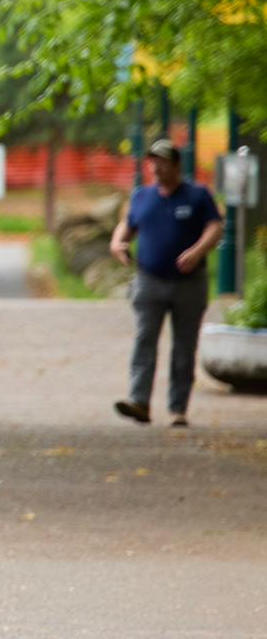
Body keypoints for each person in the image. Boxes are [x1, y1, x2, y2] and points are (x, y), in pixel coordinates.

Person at [111, 137, 223, 429]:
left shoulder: (197, 195)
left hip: (189, 284)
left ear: (176, 165)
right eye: (151, 161)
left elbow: (215, 227)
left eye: (161, 161)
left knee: (184, 347)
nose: (155, 166)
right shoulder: (142, 195)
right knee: (144, 339)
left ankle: (177, 408)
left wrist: (198, 251)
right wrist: (118, 242)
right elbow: (129, 224)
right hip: (149, 281)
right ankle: (139, 401)